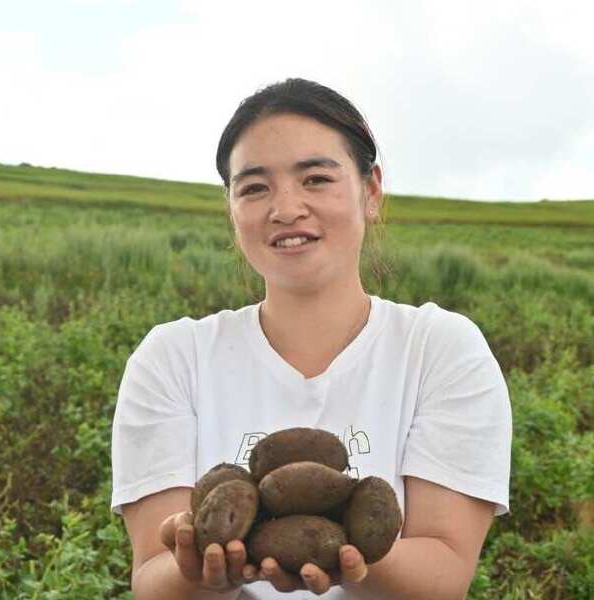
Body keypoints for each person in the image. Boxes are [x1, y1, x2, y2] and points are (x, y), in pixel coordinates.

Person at [111, 78, 512, 599]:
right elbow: (152, 577)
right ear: (231, 209)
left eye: (316, 179)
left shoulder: (441, 349)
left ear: (371, 191)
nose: (286, 208)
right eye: (254, 187)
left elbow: (444, 575)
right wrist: (198, 565)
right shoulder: (171, 358)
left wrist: (349, 551)